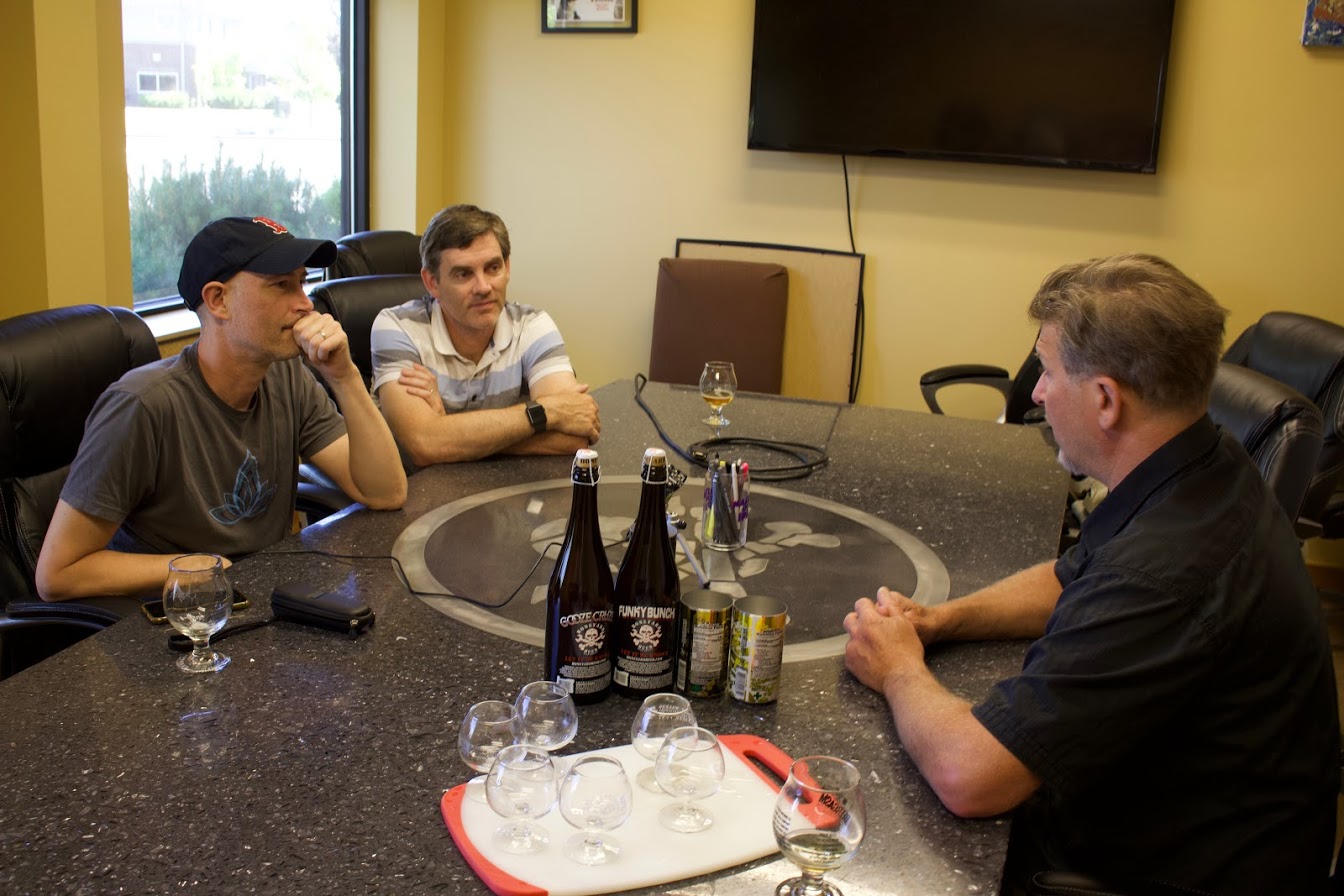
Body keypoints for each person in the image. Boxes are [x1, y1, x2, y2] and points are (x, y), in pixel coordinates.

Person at [843, 254, 1339, 895]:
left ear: (1106, 400)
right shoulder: (1205, 464)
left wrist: (898, 667)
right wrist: (943, 619)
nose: (1039, 393)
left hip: (1166, 871)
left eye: (1047, 372)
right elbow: (1072, 575)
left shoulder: (1166, 570)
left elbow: (972, 777)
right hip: (1177, 810)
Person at [36, 216, 408, 601]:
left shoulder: (288, 377)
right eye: (281, 285)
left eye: (302, 282)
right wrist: (193, 566)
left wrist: (344, 376)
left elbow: (385, 492)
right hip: (173, 620)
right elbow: (57, 574)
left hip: (263, 598)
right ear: (218, 300)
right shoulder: (142, 406)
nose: (305, 304)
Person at [369, 204, 600, 465]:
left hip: (500, 494)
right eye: (464, 274)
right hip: (417, 497)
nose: (483, 287)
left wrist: (448, 431)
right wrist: (547, 412)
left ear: (508, 267)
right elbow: (424, 444)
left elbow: (574, 438)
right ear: (432, 282)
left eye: (493, 268)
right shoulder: (396, 327)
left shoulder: (533, 324)